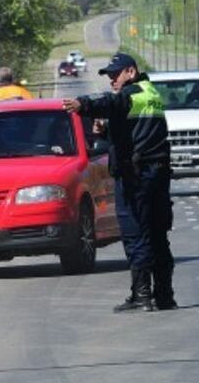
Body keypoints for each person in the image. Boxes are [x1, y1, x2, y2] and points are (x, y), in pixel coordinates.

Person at [62, 53, 175, 312]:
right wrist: (111, 131)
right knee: (157, 234)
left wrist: (83, 104)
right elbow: (141, 132)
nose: (112, 80)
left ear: (131, 72)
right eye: (110, 76)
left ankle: (142, 295)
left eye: (116, 74)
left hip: (136, 177)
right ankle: (165, 295)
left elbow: (110, 103)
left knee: (136, 233)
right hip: (157, 173)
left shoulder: (130, 94)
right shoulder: (151, 93)